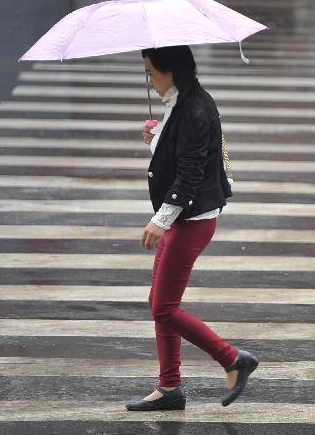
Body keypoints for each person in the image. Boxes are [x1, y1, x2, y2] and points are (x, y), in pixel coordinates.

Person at [125, 45, 259, 411]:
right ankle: (170, 387)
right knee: (159, 303)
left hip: (191, 220)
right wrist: (156, 140)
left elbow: (192, 171)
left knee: (164, 308)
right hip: (185, 217)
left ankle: (233, 359)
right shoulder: (182, 101)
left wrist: (160, 219)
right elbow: (182, 154)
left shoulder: (195, 108)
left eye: (151, 72)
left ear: (171, 70)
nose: (149, 81)